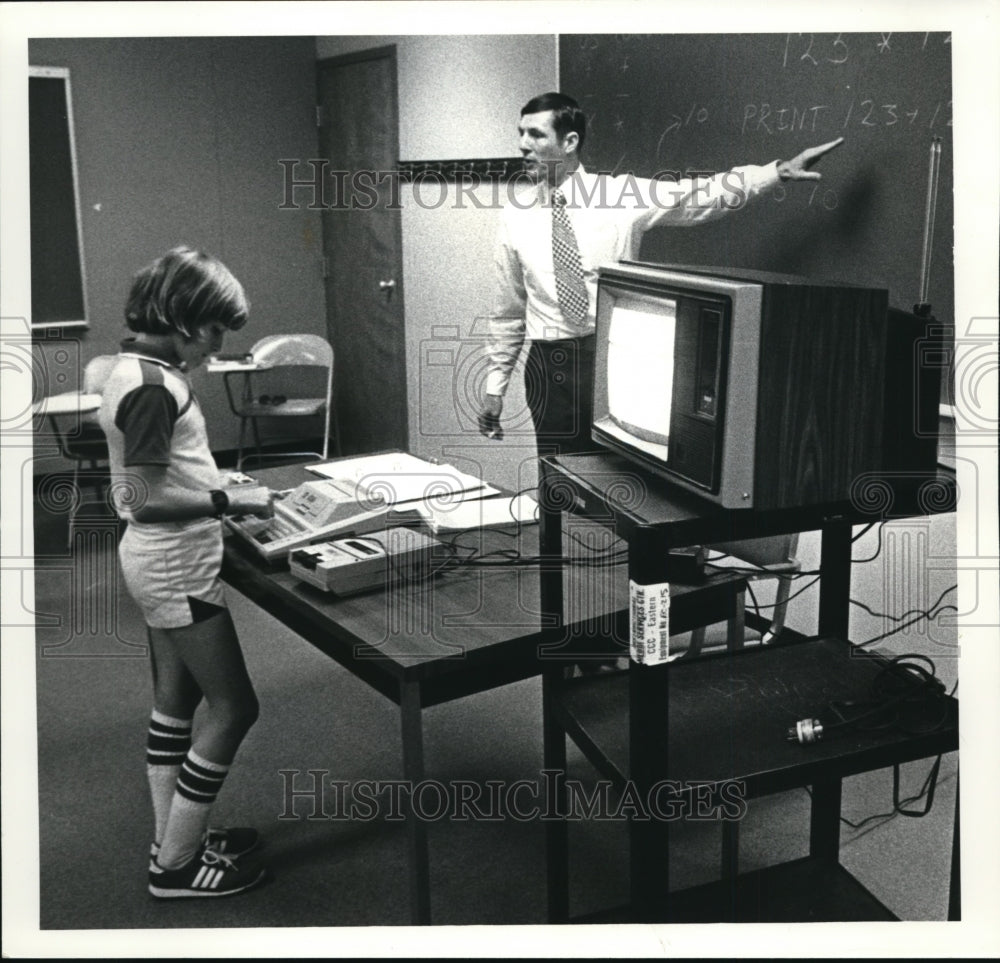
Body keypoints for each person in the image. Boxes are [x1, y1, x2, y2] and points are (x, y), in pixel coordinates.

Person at [477, 91, 845, 457]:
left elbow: (699, 196)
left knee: (620, 478)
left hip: (612, 356)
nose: (523, 145)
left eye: (536, 135)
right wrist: (496, 386)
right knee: (559, 484)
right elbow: (509, 310)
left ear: (570, 141)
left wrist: (775, 173)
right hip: (549, 366)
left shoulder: (618, 195)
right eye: (521, 133)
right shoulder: (516, 215)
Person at [99, 246, 275, 898]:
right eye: (213, 331)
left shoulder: (138, 368)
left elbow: (155, 472)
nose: (217, 345)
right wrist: (229, 498)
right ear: (180, 316)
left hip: (162, 563)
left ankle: (178, 835)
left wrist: (210, 478)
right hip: (174, 566)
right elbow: (141, 498)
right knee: (235, 706)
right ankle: (174, 864)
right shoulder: (152, 387)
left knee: (177, 703)